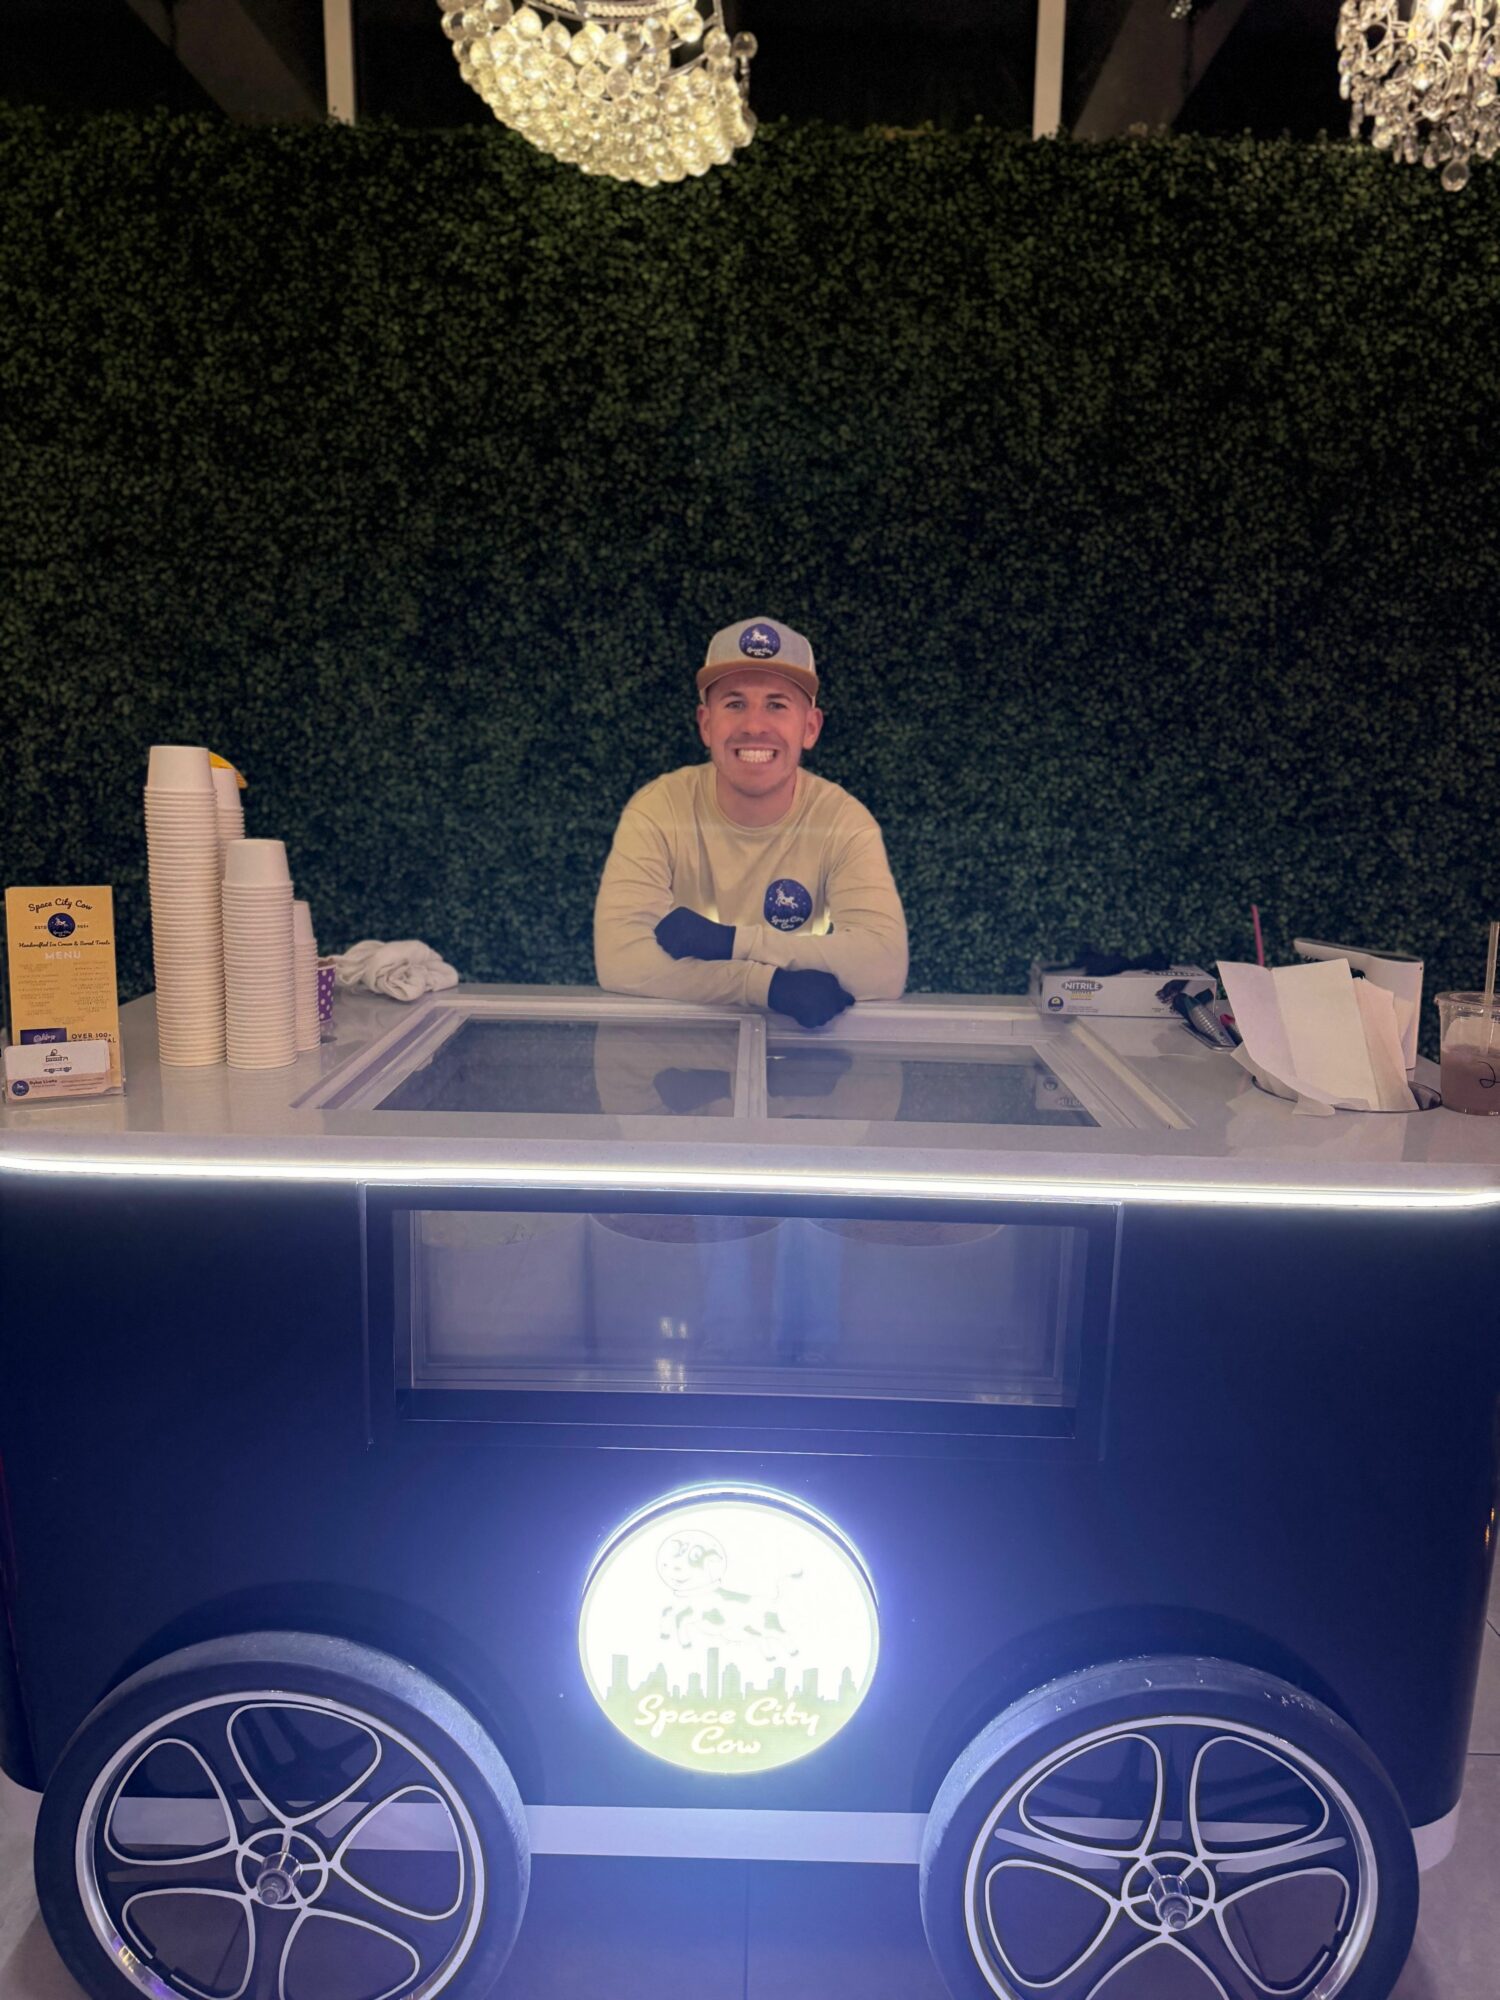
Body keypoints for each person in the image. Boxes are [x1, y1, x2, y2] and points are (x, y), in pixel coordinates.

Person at [593, 618, 908, 1028]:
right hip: (678, 1052)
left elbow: (883, 965)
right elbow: (621, 960)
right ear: (707, 724)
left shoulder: (843, 822)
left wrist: (731, 942)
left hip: (797, 1050)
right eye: (735, 704)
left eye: (777, 704)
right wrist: (765, 986)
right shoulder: (658, 809)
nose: (754, 725)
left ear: (809, 727)